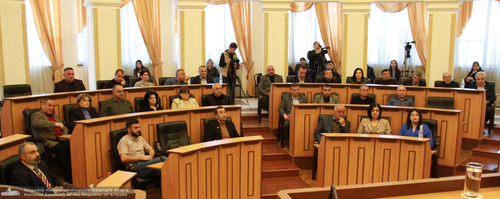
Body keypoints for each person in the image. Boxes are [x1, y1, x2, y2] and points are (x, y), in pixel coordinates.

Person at [31, 98, 72, 184]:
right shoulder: (36, 115)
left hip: (60, 139)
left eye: (52, 106)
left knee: (73, 145)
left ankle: (76, 173)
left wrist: (63, 135)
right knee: (63, 150)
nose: (51, 108)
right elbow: (37, 124)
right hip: (48, 142)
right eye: (49, 105)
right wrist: (54, 124)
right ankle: (68, 178)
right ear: (42, 105)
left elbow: (64, 127)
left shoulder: (55, 116)